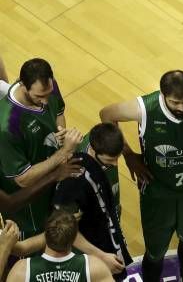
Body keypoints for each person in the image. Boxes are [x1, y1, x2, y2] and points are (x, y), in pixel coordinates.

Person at [99, 70, 183, 282]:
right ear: (163, 95)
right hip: (157, 192)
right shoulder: (145, 108)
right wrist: (128, 155)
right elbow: (106, 115)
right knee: (155, 253)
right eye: (175, 102)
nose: (182, 107)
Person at [0, 58, 82, 239]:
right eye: (39, 97)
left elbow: (59, 113)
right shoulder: (7, 127)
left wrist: (61, 133)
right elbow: (23, 179)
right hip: (29, 204)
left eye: (48, 93)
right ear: (23, 85)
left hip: (55, 176)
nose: (45, 101)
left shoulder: (48, 87)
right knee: (37, 244)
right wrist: (64, 152)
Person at [52, 122, 132, 279]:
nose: (115, 164)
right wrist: (101, 256)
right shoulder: (73, 178)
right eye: (110, 160)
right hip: (90, 247)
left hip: (107, 224)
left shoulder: (102, 141)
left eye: (118, 158)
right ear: (93, 151)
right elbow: (66, 230)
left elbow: (108, 116)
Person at [6, 210, 113, 282]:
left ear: (46, 234)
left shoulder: (21, 271)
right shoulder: (95, 267)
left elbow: (21, 249)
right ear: (74, 237)